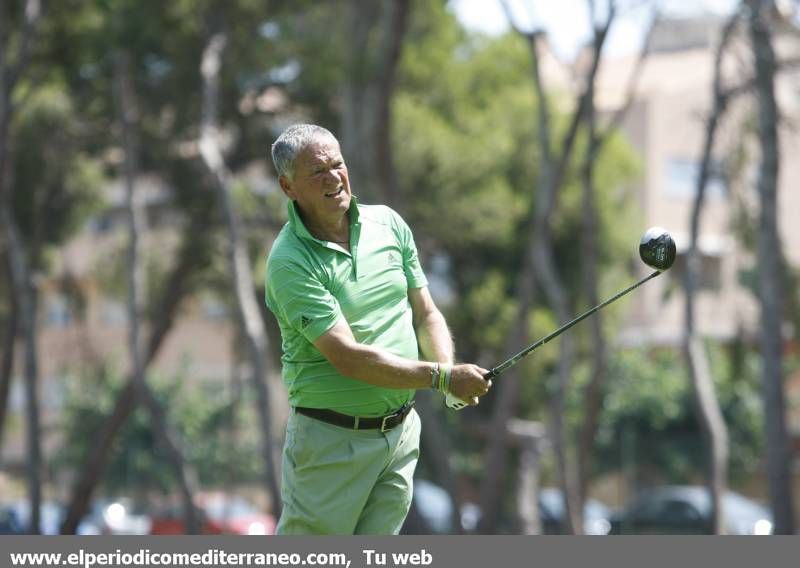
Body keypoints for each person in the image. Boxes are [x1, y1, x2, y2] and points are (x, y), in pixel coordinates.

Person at [265, 124, 491, 535]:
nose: (333, 177)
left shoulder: (388, 224)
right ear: (288, 186)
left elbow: (425, 313)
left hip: (400, 433)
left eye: (337, 164)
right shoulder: (289, 261)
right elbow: (348, 357)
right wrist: (442, 378)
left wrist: (448, 381)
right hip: (330, 442)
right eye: (317, 171)